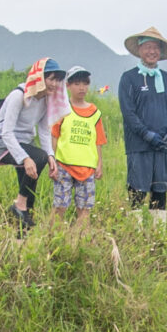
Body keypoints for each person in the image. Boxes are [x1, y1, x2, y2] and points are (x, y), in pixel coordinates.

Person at [117, 27, 167, 219]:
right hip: (139, 145)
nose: (152, 51)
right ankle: (135, 235)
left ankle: (157, 237)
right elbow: (128, 112)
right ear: (139, 50)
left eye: (155, 47)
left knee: (160, 190)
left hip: (162, 145)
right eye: (147, 47)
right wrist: (146, 134)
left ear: (161, 52)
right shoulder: (129, 78)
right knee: (137, 190)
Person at [0, 56, 59, 232]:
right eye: (50, 78)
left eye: (57, 80)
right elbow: (6, 132)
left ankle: (20, 233)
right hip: (3, 142)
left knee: (31, 186)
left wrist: (51, 155)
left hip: (24, 143)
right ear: (39, 78)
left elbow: (44, 131)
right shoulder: (19, 96)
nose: (54, 84)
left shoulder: (45, 100)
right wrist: (26, 158)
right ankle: (18, 205)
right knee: (38, 158)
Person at [50, 67, 107, 224]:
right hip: (64, 165)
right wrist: (52, 161)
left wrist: (99, 164)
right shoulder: (63, 109)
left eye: (85, 83)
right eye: (76, 84)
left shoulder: (95, 113)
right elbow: (54, 136)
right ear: (68, 86)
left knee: (84, 209)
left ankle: (80, 241)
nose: (81, 88)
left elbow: (98, 141)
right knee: (60, 206)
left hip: (87, 168)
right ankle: (52, 238)